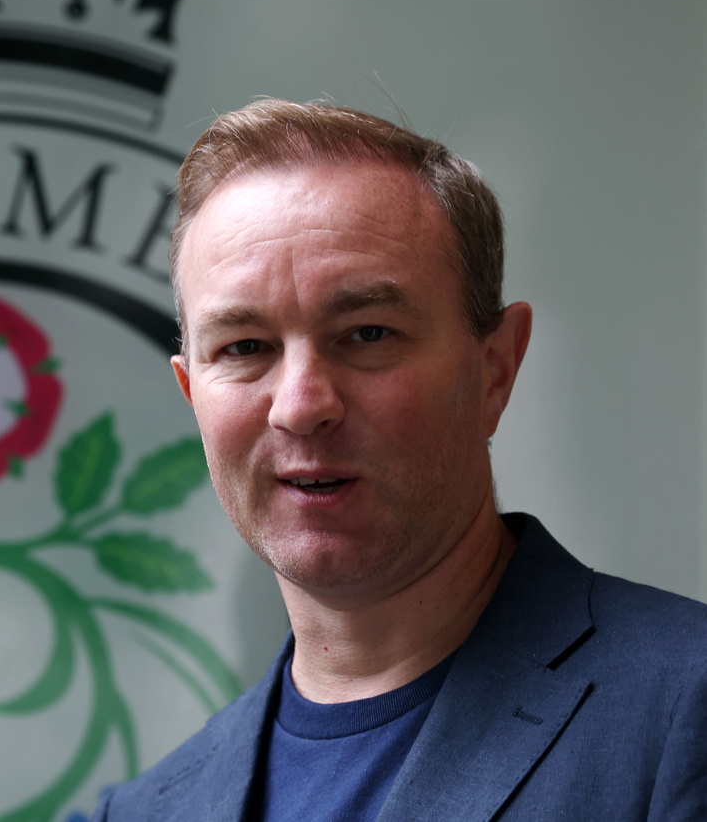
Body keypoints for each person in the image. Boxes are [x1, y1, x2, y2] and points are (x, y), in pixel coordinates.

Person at [93, 99, 707, 821]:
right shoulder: (141, 812)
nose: (300, 404)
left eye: (367, 332)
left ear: (497, 368)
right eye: (245, 347)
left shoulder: (683, 707)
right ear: (191, 392)